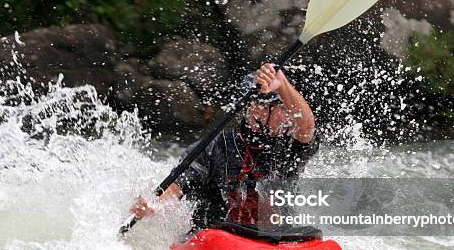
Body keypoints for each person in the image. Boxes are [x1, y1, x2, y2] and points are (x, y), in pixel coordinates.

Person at [130, 62, 319, 230]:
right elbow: (176, 187)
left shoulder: (288, 147)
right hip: (219, 239)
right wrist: (153, 204)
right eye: (282, 109)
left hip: (276, 241)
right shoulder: (213, 148)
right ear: (255, 109)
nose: (288, 117)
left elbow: (307, 125)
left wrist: (282, 85)